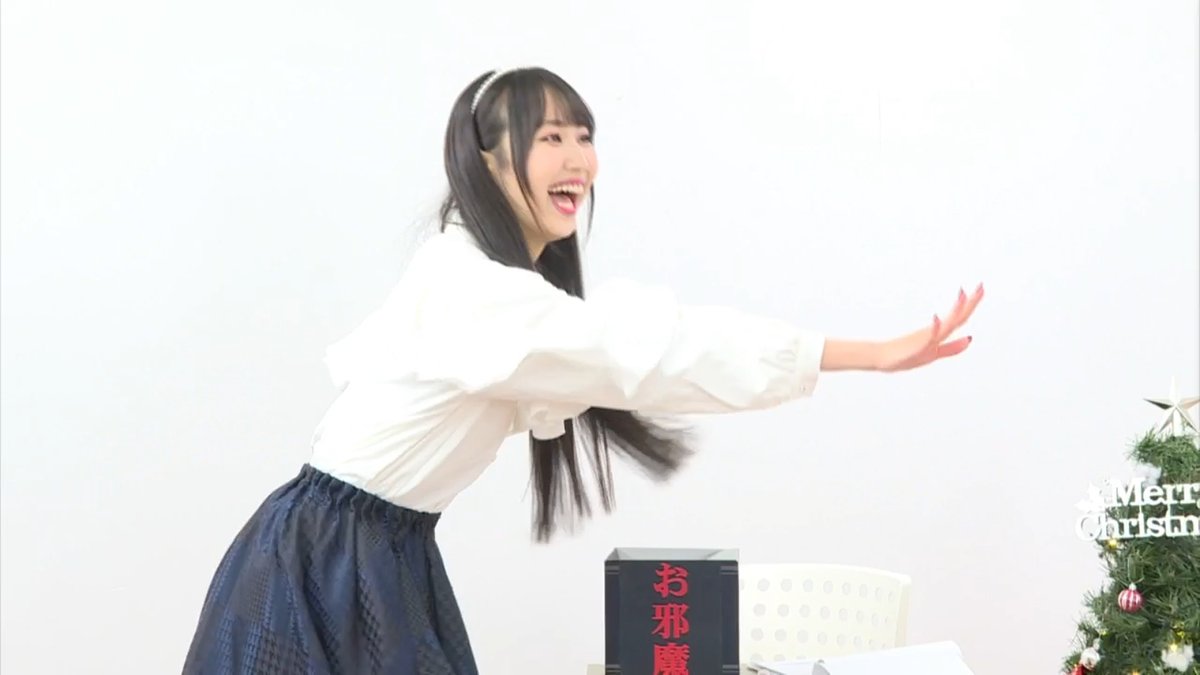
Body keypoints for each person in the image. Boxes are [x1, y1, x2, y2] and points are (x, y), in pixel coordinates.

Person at [182, 66, 983, 674]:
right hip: (324, 564)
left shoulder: (499, 288)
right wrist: (867, 354)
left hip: (378, 553)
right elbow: (661, 351)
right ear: (489, 162)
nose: (577, 159)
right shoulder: (476, 291)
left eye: (583, 135)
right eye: (549, 138)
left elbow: (642, 351)